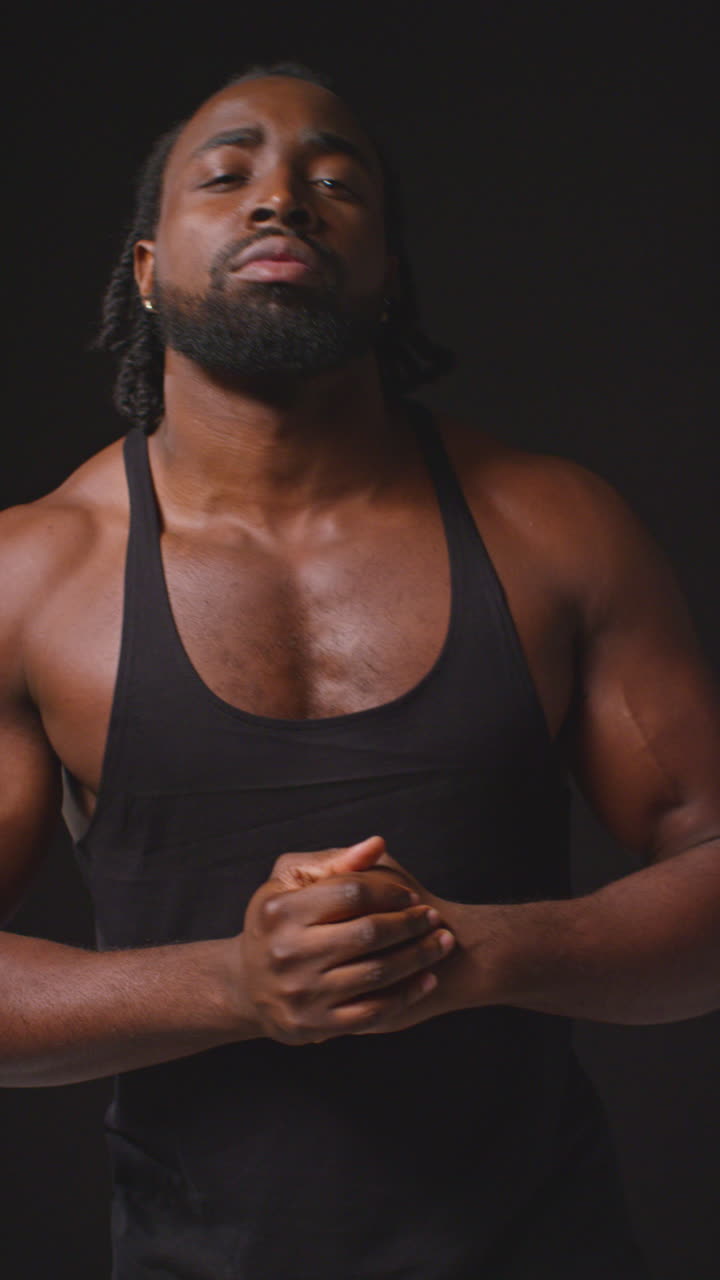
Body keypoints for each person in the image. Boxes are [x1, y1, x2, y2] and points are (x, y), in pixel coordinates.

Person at [1, 60, 718, 1280]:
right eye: (227, 176)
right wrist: (238, 980)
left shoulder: (556, 527)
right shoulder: (30, 575)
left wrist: (465, 951)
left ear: (388, 276)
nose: (282, 198)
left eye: (338, 183)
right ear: (144, 269)